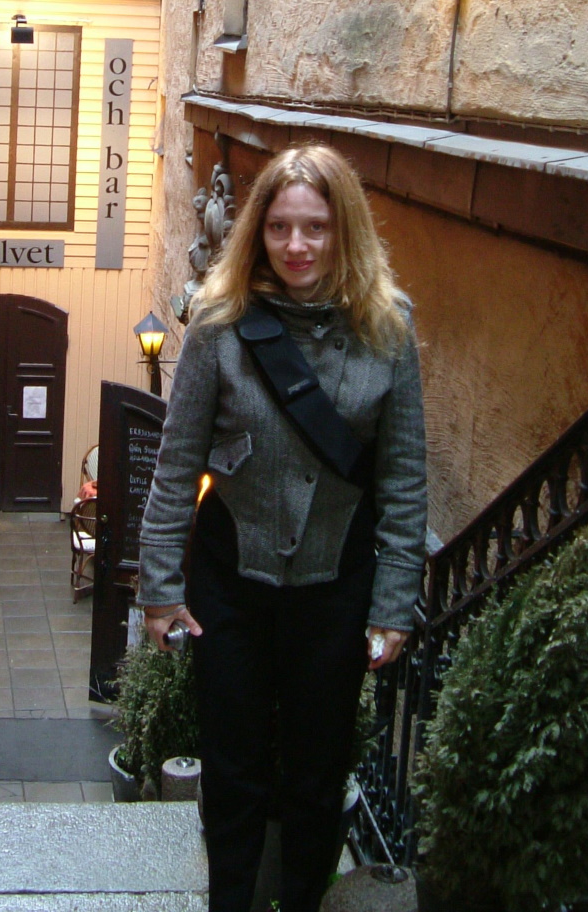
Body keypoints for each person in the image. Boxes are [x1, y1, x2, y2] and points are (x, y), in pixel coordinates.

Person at [138, 144, 427, 912]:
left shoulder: (388, 331)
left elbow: (403, 480)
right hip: (231, 584)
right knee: (233, 772)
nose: (297, 247)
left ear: (346, 232)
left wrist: (394, 604)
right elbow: (174, 468)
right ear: (257, 233)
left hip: (335, 588)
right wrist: (160, 591)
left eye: (317, 228)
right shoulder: (221, 327)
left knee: (315, 775)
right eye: (280, 229)